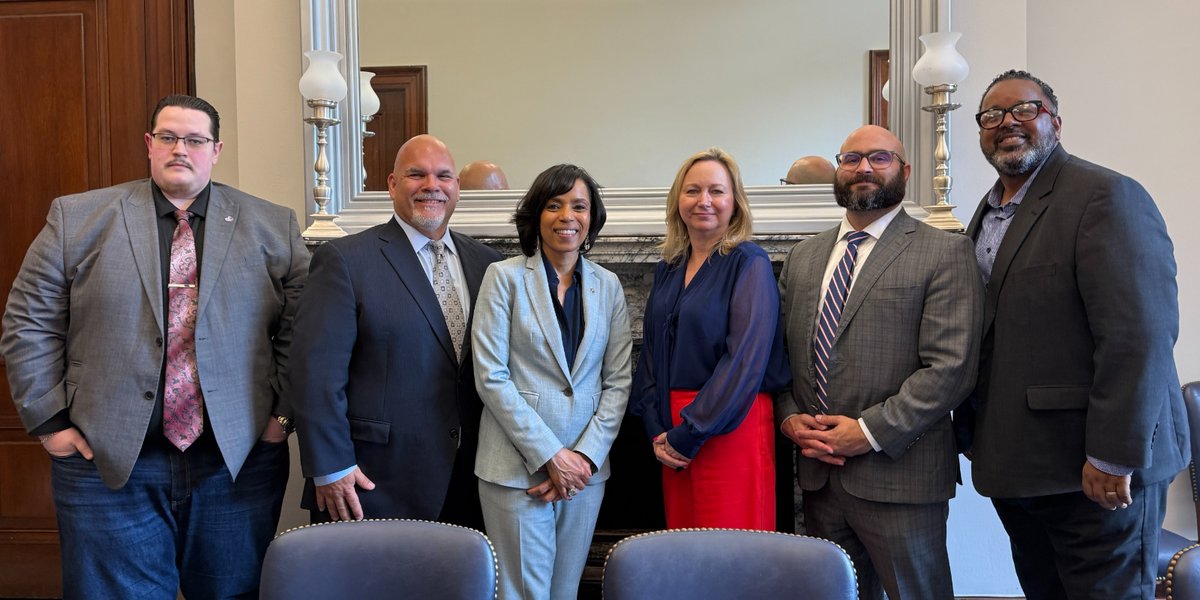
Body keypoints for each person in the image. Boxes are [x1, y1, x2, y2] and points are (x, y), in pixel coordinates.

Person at [0, 94, 308, 598]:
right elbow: (28, 322)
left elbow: (303, 329)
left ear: (216, 150)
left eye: (195, 140)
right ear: (149, 144)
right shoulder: (77, 217)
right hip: (106, 464)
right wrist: (50, 423)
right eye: (168, 137)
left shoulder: (273, 225)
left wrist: (283, 417)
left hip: (236, 463)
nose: (180, 149)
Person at [961, 69, 1188, 598]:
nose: (1007, 122)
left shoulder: (1105, 196)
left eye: (1025, 109)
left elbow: (1139, 335)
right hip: (1019, 469)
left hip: (1094, 472)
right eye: (992, 115)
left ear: (1055, 123)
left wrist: (1112, 456)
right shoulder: (989, 213)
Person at [776, 125, 982, 599]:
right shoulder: (803, 258)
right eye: (851, 159)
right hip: (820, 477)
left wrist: (867, 432)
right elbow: (781, 357)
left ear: (905, 172)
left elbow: (950, 368)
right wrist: (789, 419)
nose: (863, 167)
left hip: (901, 475)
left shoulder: (945, 252)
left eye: (879, 158)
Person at [290, 134, 502, 527]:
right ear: (391, 184)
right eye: (416, 174)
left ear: (457, 187)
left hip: (472, 479)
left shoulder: (488, 264)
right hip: (372, 481)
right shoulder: (345, 260)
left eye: (443, 176)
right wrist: (331, 466)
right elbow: (314, 373)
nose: (432, 186)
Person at [471, 163, 632, 600]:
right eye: (554, 205)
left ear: (591, 217)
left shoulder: (608, 286)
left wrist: (583, 459)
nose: (567, 216)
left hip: (584, 475)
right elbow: (491, 377)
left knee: (565, 592)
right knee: (524, 594)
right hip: (516, 469)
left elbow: (618, 382)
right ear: (536, 215)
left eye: (579, 206)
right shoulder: (503, 278)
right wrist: (550, 455)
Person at [630, 147, 790, 530]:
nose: (704, 200)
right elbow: (651, 352)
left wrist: (691, 432)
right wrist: (655, 426)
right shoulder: (669, 267)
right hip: (671, 432)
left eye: (716, 191)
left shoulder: (749, 262)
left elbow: (744, 362)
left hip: (730, 426)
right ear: (678, 200)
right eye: (693, 190)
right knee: (685, 547)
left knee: (731, 550)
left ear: (735, 202)